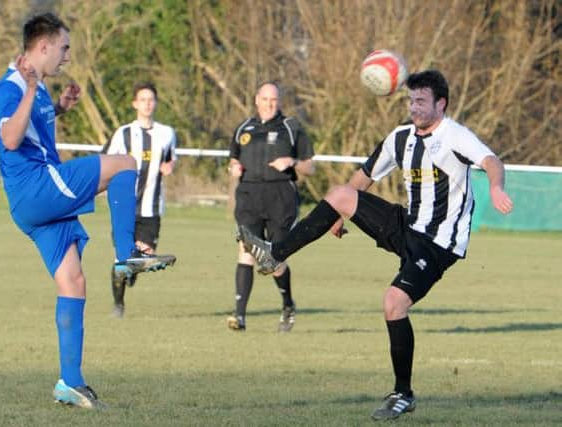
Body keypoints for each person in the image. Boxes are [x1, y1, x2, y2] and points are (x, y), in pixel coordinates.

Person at [238, 70, 513, 419]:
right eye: (410, 100)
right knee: (339, 193)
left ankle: (403, 394)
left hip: (438, 244)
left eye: (421, 101)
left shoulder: (455, 135)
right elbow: (363, 178)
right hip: (406, 225)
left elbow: (492, 162)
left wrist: (496, 187)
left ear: (440, 104)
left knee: (393, 303)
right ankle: (274, 253)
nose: (413, 107)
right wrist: (338, 214)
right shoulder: (400, 138)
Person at [0, 13, 174, 409]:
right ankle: (126, 254)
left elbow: (30, 126)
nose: (67, 56)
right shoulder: (12, 86)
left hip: (32, 204)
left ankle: (69, 383)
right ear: (43, 46)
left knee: (73, 282)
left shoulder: (36, 91)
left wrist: (58, 107)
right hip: (36, 187)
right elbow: (9, 138)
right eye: (64, 47)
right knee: (125, 163)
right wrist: (33, 87)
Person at [227, 81, 315, 332]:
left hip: (281, 198)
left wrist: (292, 161)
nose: (269, 104)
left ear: (280, 102)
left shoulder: (291, 127)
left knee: (275, 258)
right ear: (256, 100)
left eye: (274, 100)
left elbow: (310, 167)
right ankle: (239, 316)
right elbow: (233, 159)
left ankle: (287, 305)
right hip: (249, 196)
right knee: (246, 250)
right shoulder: (244, 128)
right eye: (265, 99)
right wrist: (233, 167)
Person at [102, 82, 177, 318]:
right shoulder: (123, 133)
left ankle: (133, 270)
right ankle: (118, 305)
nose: (147, 103)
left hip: (151, 207)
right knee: (122, 258)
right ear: (135, 103)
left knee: (147, 253)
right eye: (142, 99)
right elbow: (106, 159)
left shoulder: (166, 133)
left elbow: (171, 158)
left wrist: (170, 166)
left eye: (151, 99)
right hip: (125, 207)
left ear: (155, 103)